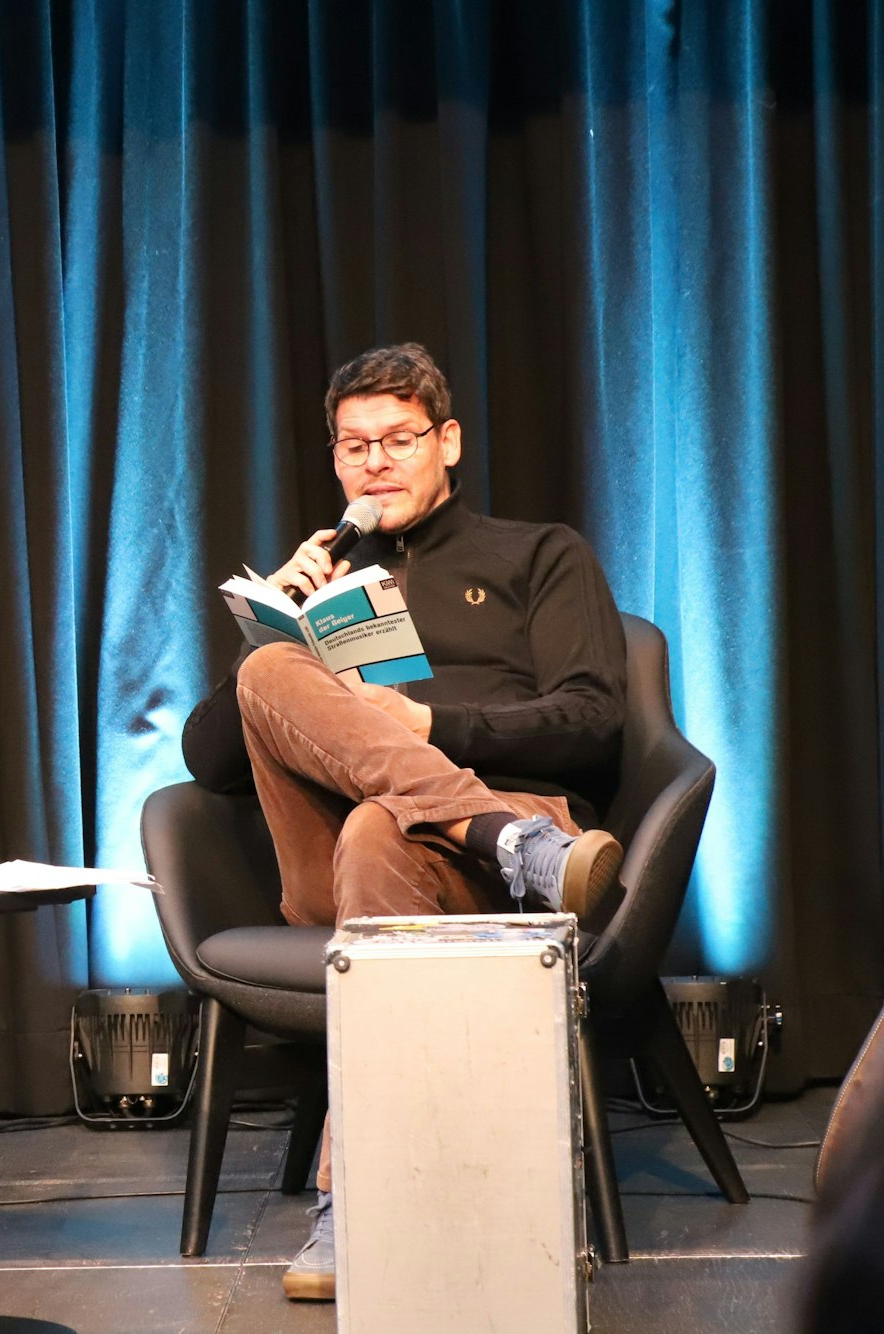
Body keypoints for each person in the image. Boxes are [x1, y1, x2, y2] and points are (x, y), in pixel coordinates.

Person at [179, 343, 628, 1303]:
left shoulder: (540, 553)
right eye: (353, 446)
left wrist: (430, 725)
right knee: (269, 681)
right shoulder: (322, 579)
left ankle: (354, 1208)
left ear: (447, 441)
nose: (375, 462)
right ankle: (502, 838)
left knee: (379, 826)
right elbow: (210, 766)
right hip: (355, 864)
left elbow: (595, 719)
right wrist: (275, 628)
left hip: (466, 836)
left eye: (398, 439)